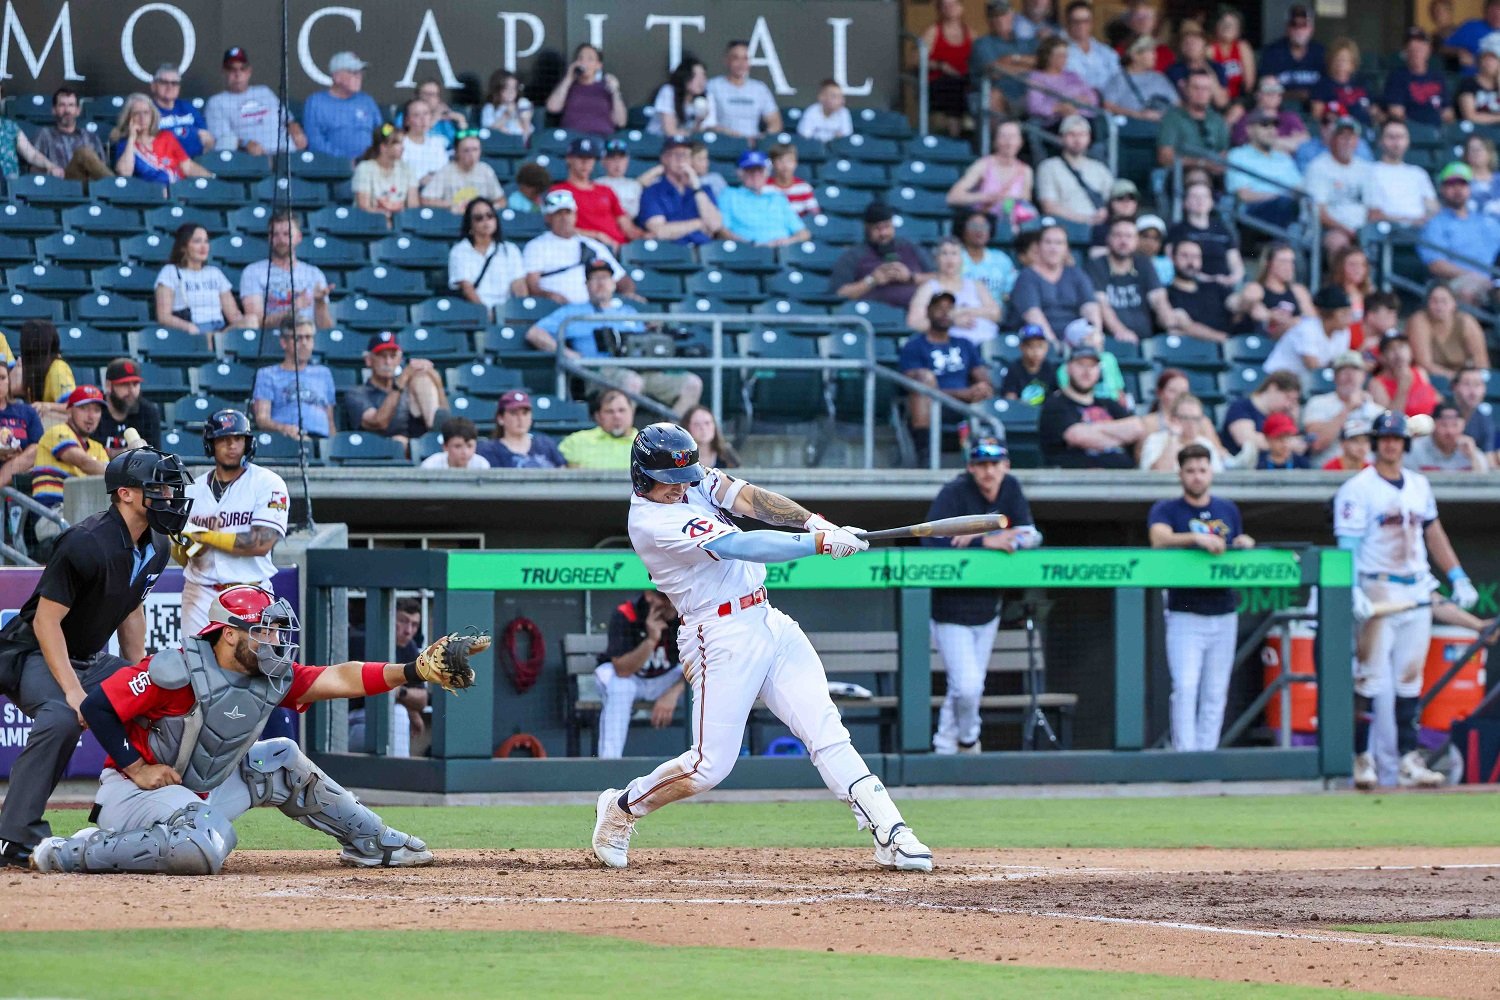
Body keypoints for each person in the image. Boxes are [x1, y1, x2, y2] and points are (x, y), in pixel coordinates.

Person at [590, 424, 932, 872]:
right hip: (717, 634)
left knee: (826, 729)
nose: (680, 488)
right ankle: (622, 807)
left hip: (767, 618)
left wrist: (813, 522)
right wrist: (820, 543)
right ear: (641, 476)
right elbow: (742, 544)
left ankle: (891, 832)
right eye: (669, 482)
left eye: (684, 478)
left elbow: (750, 499)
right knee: (708, 767)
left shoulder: (690, 480)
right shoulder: (652, 522)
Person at [27, 586, 474, 874]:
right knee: (202, 845)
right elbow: (97, 707)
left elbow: (341, 677)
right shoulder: (174, 669)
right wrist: (137, 767)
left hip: (200, 791)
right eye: (264, 632)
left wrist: (412, 670)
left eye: (276, 632)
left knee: (281, 758)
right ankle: (73, 851)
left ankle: (371, 842)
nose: (274, 641)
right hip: (135, 796)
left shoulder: (269, 675)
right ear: (228, 634)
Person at [0, 448, 189, 868]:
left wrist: (140, 676)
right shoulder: (85, 542)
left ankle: (144, 813)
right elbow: (45, 622)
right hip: (33, 652)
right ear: (125, 493)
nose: (169, 497)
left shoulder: (157, 544)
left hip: (89, 657)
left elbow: (131, 607)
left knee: (161, 697)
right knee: (62, 718)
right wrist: (73, 693)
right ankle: (12, 836)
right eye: (158, 489)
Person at [1336, 411, 1479, 790]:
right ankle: (1361, 757)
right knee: (1369, 678)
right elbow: (1347, 545)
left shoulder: (1418, 484)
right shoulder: (1358, 488)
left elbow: (1434, 533)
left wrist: (1457, 575)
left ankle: (1406, 760)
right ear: (1375, 442)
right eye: (1384, 438)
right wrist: (1352, 587)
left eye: (1396, 439)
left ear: (1405, 443)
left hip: (1415, 588)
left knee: (1409, 680)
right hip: (1378, 587)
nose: (1390, 444)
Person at [922, 436, 1040, 755]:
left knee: (965, 687)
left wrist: (984, 534)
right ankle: (969, 740)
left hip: (989, 607)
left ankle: (945, 746)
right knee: (968, 686)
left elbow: (1031, 534)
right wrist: (983, 541)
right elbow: (930, 541)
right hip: (950, 609)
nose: (989, 471)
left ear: (1006, 465)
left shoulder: (1010, 487)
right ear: (971, 467)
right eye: (982, 464)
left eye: (995, 464)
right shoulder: (955, 492)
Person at [1148, 443, 1254, 752]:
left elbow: (1235, 543)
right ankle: (1186, 755)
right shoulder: (1167, 509)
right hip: (1186, 611)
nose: (1197, 476)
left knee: (1216, 691)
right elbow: (1158, 538)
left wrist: (1243, 543)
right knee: (1185, 687)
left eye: (1202, 470)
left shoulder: (1227, 509)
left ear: (1211, 472)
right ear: (1180, 474)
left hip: (1224, 610)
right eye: (1190, 471)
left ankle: (1207, 754)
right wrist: (1196, 538)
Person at [526, 261, 702, 416]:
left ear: (613, 283)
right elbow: (534, 333)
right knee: (632, 382)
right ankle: (628, 440)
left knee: (692, 384)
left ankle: (668, 438)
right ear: (586, 285)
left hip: (639, 369)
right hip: (598, 373)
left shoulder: (628, 312)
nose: (600, 283)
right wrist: (567, 353)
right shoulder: (573, 312)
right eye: (594, 279)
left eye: (605, 278)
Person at [175, 408, 289, 638]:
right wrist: (183, 547)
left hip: (252, 591)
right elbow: (182, 555)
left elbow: (261, 543)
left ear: (248, 443)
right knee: (196, 659)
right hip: (201, 593)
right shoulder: (192, 490)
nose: (232, 445)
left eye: (238, 438)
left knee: (258, 658)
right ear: (210, 444)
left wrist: (206, 537)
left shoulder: (268, 483)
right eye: (223, 439)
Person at [594, 589, 684, 759]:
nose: (671, 603)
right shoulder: (627, 613)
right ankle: (609, 762)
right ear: (649, 595)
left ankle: (705, 761)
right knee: (621, 687)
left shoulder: (684, 614)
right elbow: (622, 670)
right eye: (664, 597)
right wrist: (651, 640)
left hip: (665, 681)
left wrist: (672, 694)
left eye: (674, 596)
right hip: (630, 678)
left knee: (702, 680)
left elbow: (700, 664)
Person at [899, 292, 994, 442]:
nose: (944, 313)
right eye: (939, 308)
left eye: (949, 308)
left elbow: (982, 376)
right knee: (924, 381)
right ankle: (924, 450)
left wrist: (981, 387)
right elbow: (912, 384)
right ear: (928, 311)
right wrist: (960, 394)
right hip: (932, 405)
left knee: (985, 389)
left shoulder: (964, 343)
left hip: (966, 404)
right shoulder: (914, 346)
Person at [1039, 344, 1141, 468]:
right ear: (1068, 368)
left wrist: (1092, 430)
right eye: (1081, 364)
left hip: (1125, 476)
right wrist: (1122, 439)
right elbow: (1077, 436)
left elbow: (1137, 427)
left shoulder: (1109, 403)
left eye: (1092, 365)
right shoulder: (1055, 405)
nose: (1087, 371)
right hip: (1078, 478)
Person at [523, 190, 633, 304]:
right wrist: (549, 296)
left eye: (568, 212)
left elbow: (623, 280)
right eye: (558, 213)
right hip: (556, 309)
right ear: (548, 218)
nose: (564, 218)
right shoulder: (536, 246)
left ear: (575, 215)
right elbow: (532, 285)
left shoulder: (592, 245)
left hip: (595, 308)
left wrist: (628, 294)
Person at [342, 332, 448, 447]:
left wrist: (436, 380)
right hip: (374, 449)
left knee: (423, 378)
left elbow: (443, 417)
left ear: (399, 360)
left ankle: (436, 440)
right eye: (382, 356)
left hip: (415, 446)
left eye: (392, 356)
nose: (388, 362)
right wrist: (401, 381)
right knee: (399, 442)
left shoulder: (408, 388)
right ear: (369, 360)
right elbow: (378, 423)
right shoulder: (357, 394)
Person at [1089, 216, 1180, 343]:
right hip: (1111, 340)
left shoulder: (1144, 264)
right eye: (1118, 235)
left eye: (1129, 236)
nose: (1123, 241)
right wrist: (1120, 331)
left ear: (1136, 240)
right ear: (1108, 238)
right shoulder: (1097, 265)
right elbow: (1102, 304)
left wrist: (1169, 322)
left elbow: (1158, 298)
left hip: (1147, 340)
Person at [1420, 162, 1500, 306]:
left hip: (1492, 279)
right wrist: (1471, 275)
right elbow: (1436, 264)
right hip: (1456, 280)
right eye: (1451, 185)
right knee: (1467, 290)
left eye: (1462, 184)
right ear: (1442, 189)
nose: (1457, 189)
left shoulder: (1486, 221)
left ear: (1470, 188)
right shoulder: (1435, 224)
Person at [829, 202, 936, 309]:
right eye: (877, 228)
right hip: (872, 314)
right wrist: (871, 280)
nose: (883, 233)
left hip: (916, 311)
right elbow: (840, 293)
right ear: (866, 228)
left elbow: (939, 278)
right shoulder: (853, 256)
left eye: (887, 227)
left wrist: (911, 277)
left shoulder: (911, 248)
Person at [205, 46, 305, 157]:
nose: (238, 74)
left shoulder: (264, 92)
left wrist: (296, 131)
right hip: (252, 159)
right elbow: (221, 140)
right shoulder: (216, 102)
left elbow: (288, 120)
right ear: (224, 72)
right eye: (232, 69)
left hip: (287, 154)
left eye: (242, 69)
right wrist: (245, 143)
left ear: (249, 71)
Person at [239, 212, 333, 330]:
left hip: (306, 338)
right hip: (270, 338)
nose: (281, 240)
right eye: (275, 234)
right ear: (269, 238)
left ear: (299, 237)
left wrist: (320, 303)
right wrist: (293, 309)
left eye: (287, 234)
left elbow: (325, 329)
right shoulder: (253, 272)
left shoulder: (314, 274)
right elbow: (256, 322)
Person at [154, 223, 243, 348]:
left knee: (251, 321)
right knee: (208, 338)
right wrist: (188, 327)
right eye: (197, 241)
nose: (203, 247)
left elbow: (233, 314)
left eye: (206, 241)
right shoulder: (170, 272)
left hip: (221, 330)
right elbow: (164, 316)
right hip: (193, 329)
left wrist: (243, 324)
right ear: (183, 247)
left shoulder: (215, 273)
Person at [1009, 223, 1101, 343]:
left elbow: (1090, 307)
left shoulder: (1076, 274)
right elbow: (1033, 315)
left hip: (1073, 337)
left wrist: (1096, 334)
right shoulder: (1026, 276)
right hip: (1039, 340)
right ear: (1038, 247)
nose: (1053, 248)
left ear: (1067, 249)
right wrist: (1054, 345)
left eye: (1059, 243)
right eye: (1048, 242)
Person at [550, 137, 641, 252]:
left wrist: (648, 236)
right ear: (569, 159)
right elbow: (560, 228)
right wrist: (596, 235)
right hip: (588, 248)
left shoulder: (606, 190)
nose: (585, 163)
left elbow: (627, 227)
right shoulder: (560, 191)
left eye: (589, 158)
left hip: (621, 248)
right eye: (580, 157)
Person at [906, 236, 1001, 346]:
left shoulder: (976, 285)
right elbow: (914, 322)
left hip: (987, 345)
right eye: (944, 253)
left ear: (962, 259)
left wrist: (963, 310)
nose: (949, 259)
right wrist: (951, 321)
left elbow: (996, 313)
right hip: (948, 348)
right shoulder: (928, 289)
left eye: (954, 253)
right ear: (936, 259)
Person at [252, 319, 337, 439]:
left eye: (308, 337)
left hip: (321, 439)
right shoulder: (267, 374)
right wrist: (284, 429)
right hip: (286, 438)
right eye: (298, 338)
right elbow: (262, 419)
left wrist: (332, 445)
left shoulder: (324, 373)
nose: (304, 343)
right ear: (284, 342)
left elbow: (330, 421)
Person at [944, 119, 1035, 228]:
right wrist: (984, 197)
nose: (1008, 142)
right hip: (984, 221)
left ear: (1020, 142)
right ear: (995, 141)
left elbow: (1025, 203)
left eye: (1013, 137)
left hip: (1011, 225)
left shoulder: (1026, 171)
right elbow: (953, 197)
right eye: (1004, 136)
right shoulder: (983, 165)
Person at [31, 385, 110, 510]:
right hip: (50, 511)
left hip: (82, 511)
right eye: (83, 408)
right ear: (69, 411)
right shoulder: (57, 431)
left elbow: (105, 481)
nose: (91, 416)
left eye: (96, 410)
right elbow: (84, 462)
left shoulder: (98, 448)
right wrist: (123, 477)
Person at [636, 136, 723, 247]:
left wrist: (697, 189)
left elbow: (715, 225)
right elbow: (660, 231)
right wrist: (699, 223)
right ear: (664, 159)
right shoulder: (653, 192)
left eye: (685, 155)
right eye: (676, 154)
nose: (681, 160)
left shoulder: (703, 190)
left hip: (703, 249)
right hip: (670, 251)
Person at [1304, 114, 1371, 257]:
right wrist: (1347, 230)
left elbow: (1373, 206)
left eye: (1351, 137)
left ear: (1357, 141)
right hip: (1329, 229)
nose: (1347, 142)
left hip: (1363, 228)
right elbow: (1319, 212)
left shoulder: (1365, 168)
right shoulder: (1318, 167)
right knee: (1338, 242)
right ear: (1332, 139)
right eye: (1342, 137)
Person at [109, 94, 210, 186]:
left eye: (146, 113)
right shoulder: (125, 145)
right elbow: (125, 173)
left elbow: (187, 166)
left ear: (152, 115)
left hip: (177, 189)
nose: (142, 117)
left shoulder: (166, 137)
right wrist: (132, 138)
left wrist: (212, 178)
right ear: (129, 118)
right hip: (150, 194)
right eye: (136, 113)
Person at [1304, 349, 1383, 467]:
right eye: (1343, 369)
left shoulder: (1378, 412)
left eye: (1355, 369)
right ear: (1335, 376)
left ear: (1364, 376)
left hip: (1366, 473)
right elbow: (1317, 444)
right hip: (1327, 473)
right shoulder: (1318, 403)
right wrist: (1347, 408)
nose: (1349, 374)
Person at [715, 150, 810, 248]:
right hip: (746, 252)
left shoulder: (778, 198)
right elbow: (722, 231)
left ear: (766, 173)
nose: (756, 175)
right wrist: (753, 246)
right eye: (750, 170)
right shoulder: (729, 195)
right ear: (740, 173)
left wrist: (788, 241)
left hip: (784, 250)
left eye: (760, 170)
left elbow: (803, 233)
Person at [1264, 285, 1354, 387]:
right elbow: (1313, 366)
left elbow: (1340, 363)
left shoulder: (1344, 332)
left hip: (1304, 382)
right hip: (1277, 380)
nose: (1349, 319)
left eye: (1349, 314)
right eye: (1343, 314)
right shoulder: (1307, 328)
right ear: (1328, 314)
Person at [449, 197, 526, 315]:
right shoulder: (459, 251)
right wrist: (486, 314)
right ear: (470, 223)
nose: (486, 221)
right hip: (474, 312)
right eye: (478, 218)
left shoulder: (510, 249)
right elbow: (467, 288)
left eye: (490, 216)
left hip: (507, 311)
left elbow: (519, 284)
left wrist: (520, 312)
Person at [301, 51, 383, 162]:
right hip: (334, 166)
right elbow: (315, 142)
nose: (359, 77)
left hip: (370, 164)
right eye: (353, 73)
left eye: (360, 73)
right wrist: (344, 161)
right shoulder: (316, 102)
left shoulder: (367, 101)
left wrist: (391, 132)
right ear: (337, 77)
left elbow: (382, 131)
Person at [1036, 114, 1112, 226]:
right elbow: (1049, 206)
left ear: (1089, 138)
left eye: (1082, 135)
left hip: (1097, 227)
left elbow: (1112, 201)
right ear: (1061, 137)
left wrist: (1104, 213)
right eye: (1071, 134)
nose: (1077, 140)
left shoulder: (1100, 169)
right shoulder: (1049, 167)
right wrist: (1085, 219)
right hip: (1063, 226)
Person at [970, 0, 1039, 118]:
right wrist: (1028, 67)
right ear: (988, 20)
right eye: (994, 16)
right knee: (993, 95)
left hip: (1027, 96)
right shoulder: (982, 44)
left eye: (1003, 14)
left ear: (1012, 15)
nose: (1000, 20)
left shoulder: (1025, 41)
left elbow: (1042, 63)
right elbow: (995, 71)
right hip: (1001, 98)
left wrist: (1013, 58)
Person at [1166, 180, 1242, 286]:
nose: (1200, 200)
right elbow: (1171, 261)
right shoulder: (1177, 230)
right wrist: (1210, 279)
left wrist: (1233, 278)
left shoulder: (1223, 229)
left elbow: (1235, 262)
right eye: (1194, 196)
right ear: (1185, 202)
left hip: (1225, 286)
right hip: (1191, 286)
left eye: (1205, 196)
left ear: (1211, 202)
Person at [1407, 283, 1490, 381]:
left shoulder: (1466, 322)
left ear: (1454, 303)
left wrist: (1470, 379)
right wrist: (1457, 378)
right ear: (1427, 303)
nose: (1439, 306)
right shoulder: (1419, 320)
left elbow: (1481, 363)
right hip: (1429, 379)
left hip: (1465, 381)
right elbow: (1424, 364)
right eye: (1434, 301)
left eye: (1444, 301)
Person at [1139, 392, 1240, 472]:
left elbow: (1216, 478)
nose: (1192, 424)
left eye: (1196, 419)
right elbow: (1157, 475)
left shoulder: (1206, 444)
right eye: (1186, 418)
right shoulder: (1155, 440)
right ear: (1174, 419)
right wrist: (1173, 439)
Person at [1157, 70, 1230, 176]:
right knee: (1197, 176)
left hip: (1215, 177)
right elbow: (1164, 158)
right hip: (1181, 176)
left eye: (1205, 89)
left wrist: (1216, 166)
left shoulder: (1218, 120)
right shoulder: (1172, 118)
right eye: (1196, 88)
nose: (1201, 93)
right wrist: (1201, 163)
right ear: (1186, 90)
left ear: (1211, 93)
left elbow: (1224, 154)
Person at [1367, 121, 1439, 228]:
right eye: (1391, 137)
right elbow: (1374, 214)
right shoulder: (1371, 171)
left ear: (1408, 141)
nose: (1396, 142)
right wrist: (1410, 221)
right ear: (1380, 141)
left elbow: (1433, 207)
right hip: (1389, 230)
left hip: (1421, 230)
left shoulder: (1418, 173)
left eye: (1401, 137)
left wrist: (1427, 218)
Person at [545, 43, 627, 137]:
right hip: (573, 138)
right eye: (580, 58)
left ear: (598, 65)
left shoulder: (606, 88)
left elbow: (620, 122)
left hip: (602, 137)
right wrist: (568, 78)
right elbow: (552, 108)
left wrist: (615, 91)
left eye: (590, 59)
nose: (584, 62)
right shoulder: (568, 86)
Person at [1237, 242, 1314, 340]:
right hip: (1264, 341)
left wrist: (1290, 321)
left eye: (1291, 262)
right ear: (1268, 263)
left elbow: (1312, 319)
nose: (1289, 267)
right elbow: (1257, 313)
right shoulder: (1257, 288)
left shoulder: (1298, 291)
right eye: (1283, 261)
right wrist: (1272, 316)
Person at [31, 86, 109, 179]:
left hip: (87, 183)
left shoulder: (91, 137)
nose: (67, 110)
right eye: (62, 105)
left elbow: (101, 167)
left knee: (85, 155)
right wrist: (50, 171)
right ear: (54, 110)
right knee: (83, 153)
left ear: (78, 111)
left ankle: (112, 184)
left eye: (71, 105)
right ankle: (114, 185)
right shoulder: (45, 134)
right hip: (58, 182)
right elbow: (34, 169)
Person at [922, 0, 975, 136]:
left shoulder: (970, 33)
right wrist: (940, 65)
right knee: (954, 88)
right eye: (945, 6)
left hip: (964, 80)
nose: (949, 8)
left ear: (961, 7)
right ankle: (954, 136)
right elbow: (916, 60)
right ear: (939, 10)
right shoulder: (933, 31)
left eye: (953, 4)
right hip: (939, 81)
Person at [420, 128, 502, 215]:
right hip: (454, 219)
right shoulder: (446, 172)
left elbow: (500, 200)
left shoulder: (486, 170)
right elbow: (425, 200)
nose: (471, 154)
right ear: (456, 152)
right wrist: (451, 205)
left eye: (475, 149)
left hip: (480, 218)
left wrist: (487, 209)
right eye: (466, 150)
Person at [478, 390, 566, 469]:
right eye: (514, 413)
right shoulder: (489, 451)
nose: (520, 419)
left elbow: (563, 475)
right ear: (501, 418)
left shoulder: (546, 445)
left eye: (525, 413)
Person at [92, 359, 162, 456]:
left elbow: (155, 457)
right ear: (108, 385)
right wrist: (126, 453)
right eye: (124, 384)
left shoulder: (148, 412)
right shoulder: (94, 411)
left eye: (135, 384)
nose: (132, 390)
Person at [1222, 370, 1302, 454]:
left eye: (1293, 400)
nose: (1288, 405)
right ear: (1273, 388)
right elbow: (1246, 441)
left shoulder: (1284, 414)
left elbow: (1298, 443)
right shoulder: (1241, 406)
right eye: (1287, 397)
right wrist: (1286, 443)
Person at [11, 320, 75, 427]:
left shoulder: (58, 369)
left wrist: (47, 406)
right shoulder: (30, 368)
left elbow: (73, 407)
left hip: (59, 428)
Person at [1101, 33, 1178, 121]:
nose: (1155, 55)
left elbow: (1177, 104)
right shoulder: (1119, 80)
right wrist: (1138, 115)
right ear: (1135, 55)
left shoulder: (1160, 78)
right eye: (1150, 52)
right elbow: (1108, 106)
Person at [1383, 28, 1450, 127]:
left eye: (1420, 48)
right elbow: (1397, 114)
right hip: (1411, 132)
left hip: (1437, 131)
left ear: (1429, 50)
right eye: (1412, 49)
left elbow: (1448, 113)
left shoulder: (1438, 77)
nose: (1416, 53)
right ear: (1405, 52)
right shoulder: (1397, 77)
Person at [352, 124, 419, 222]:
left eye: (402, 143)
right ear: (383, 147)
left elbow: (413, 207)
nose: (402, 147)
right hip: (371, 224)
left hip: (401, 224)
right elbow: (364, 208)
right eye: (397, 143)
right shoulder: (364, 169)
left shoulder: (407, 169)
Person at [1026, 35, 1098, 125]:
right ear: (1048, 57)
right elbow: (1034, 106)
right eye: (1060, 55)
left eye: (1065, 55)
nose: (1064, 59)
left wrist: (1081, 101)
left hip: (1083, 118)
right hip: (1057, 121)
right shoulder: (1037, 77)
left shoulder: (1072, 75)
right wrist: (1059, 107)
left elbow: (1093, 97)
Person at [1368, 330, 1440, 418]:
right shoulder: (1376, 383)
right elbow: (1390, 419)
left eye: (1402, 346)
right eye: (1391, 349)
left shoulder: (1420, 371)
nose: (1398, 353)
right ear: (1382, 357)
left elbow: (1436, 400)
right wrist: (1403, 387)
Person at [559, 388, 638, 469]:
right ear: (598, 416)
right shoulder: (576, 441)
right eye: (609, 411)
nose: (617, 416)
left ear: (632, 412)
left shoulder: (646, 444)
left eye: (622, 410)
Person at [1260, 5, 1325, 102]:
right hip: (1280, 106)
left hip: (1313, 105)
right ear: (1287, 28)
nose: (1299, 29)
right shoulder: (1272, 52)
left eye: (1304, 24)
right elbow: (1265, 89)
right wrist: (1295, 95)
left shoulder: (1321, 52)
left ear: (1311, 28)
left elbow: (1330, 87)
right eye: (1294, 24)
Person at [1229, 77, 1310, 152]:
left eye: (1277, 89)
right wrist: (1289, 142)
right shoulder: (1248, 118)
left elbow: (1305, 143)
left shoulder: (1290, 117)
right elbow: (1249, 147)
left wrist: (1269, 142)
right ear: (1257, 94)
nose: (1274, 93)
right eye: (1268, 89)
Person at [1406, 399, 1489, 472]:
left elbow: (1485, 481)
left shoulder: (1469, 449)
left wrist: (1473, 456)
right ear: (1433, 425)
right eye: (1444, 425)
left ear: (1463, 425)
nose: (1450, 431)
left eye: (1455, 425)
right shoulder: (1415, 450)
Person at [149, 63, 212, 159]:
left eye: (174, 83)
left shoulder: (187, 107)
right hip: (163, 162)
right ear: (153, 86)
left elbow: (207, 137)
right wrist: (192, 133)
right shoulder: (147, 110)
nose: (170, 87)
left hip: (195, 160)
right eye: (164, 82)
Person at [1310, 38, 1375, 126]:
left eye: (1344, 60)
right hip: (1336, 130)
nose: (1340, 64)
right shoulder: (1322, 85)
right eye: (1337, 59)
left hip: (1364, 128)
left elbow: (1373, 110)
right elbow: (1317, 115)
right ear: (1330, 62)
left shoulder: (1362, 83)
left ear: (1353, 63)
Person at [957, 210, 1019, 303]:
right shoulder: (955, 258)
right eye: (973, 226)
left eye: (984, 226)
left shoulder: (1001, 259)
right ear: (963, 229)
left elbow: (1012, 291)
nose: (979, 230)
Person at [1166, 23, 1230, 111]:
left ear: (1204, 45)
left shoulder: (1216, 67)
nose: (1190, 46)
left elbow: (1221, 102)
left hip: (1214, 113)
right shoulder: (1174, 70)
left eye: (1195, 41)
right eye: (1186, 42)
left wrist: (1208, 70)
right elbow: (1192, 98)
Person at [0, 363, 41, 491]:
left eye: (2, 378)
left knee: (37, 450)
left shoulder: (26, 411)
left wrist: (18, 457)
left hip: (20, 467)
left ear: (9, 381)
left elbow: (37, 447)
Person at [650, 57, 716, 136]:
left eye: (703, 76)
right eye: (695, 76)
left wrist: (700, 121)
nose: (701, 81)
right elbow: (670, 131)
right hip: (659, 139)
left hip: (688, 141)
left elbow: (701, 133)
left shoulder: (707, 96)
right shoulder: (669, 91)